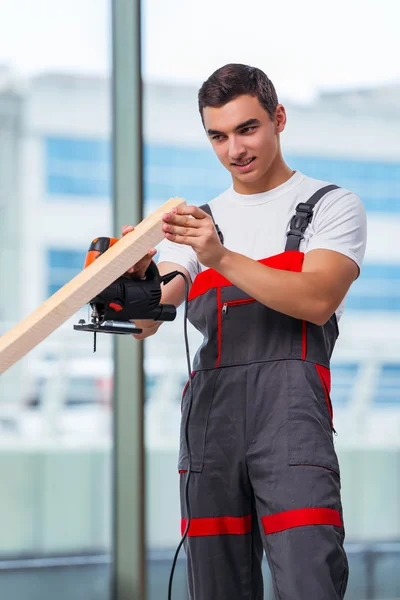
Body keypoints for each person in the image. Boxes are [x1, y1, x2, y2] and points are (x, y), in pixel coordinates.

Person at [122, 63, 367, 600]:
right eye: (218, 135)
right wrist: (135, 278)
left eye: (247, 128)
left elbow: (317, 299)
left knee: (309, 581)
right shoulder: (198, 225)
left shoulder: (331, 206)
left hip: (291, 427)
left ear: (278, 119)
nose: (235, 148)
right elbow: (146, 320)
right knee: (214, 585)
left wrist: (220, 255)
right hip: (212, 427)